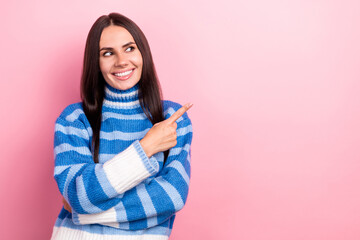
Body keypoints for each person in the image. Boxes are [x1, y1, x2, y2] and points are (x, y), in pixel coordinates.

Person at [50, 12, 193, 240]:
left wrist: (85, 214)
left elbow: (171, 196)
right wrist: (146, 148)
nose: (121, 61)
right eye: (108, 53)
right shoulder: (74, 119)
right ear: (95, 63)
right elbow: (79, 196)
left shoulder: (171, 119)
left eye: (129, 48)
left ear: (142, 53)